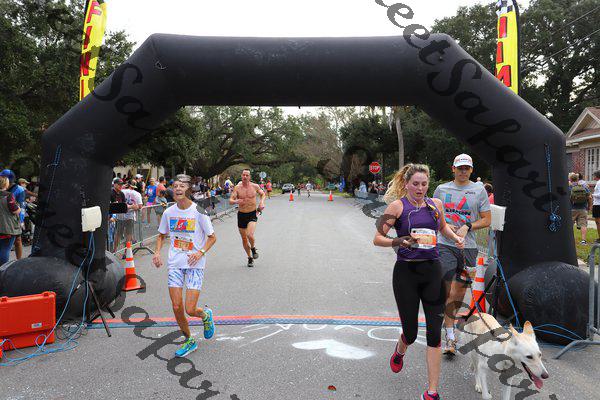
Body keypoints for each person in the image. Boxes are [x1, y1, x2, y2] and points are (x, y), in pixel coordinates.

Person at [374, 163, 464, 400]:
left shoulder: (436, 205)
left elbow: (442, 227)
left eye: (424, 184)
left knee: (434, 334)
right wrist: (398, 241)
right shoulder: (397, 207)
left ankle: (432, 392)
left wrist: (455, 237)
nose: (420, 188)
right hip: (406, 274)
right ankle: (400, 349)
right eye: (415, 184)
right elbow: (377, 237)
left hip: (433, 272)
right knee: (411, 333)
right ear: (406, 184)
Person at [433, 154, 491, 356]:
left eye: (467, 168)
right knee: (446, 288)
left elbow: (486, 220)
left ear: (472, 170)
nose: (463, 171)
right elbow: (433, 215)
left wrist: (468, 226)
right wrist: (445, 226)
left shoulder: (479, 190)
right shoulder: (442, 189)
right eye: (460, 168)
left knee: (458, 293)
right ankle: (447, 332)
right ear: (453, 169)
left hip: (468, 248)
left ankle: (449, 332)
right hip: (445, 244)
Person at [152, 174, 216, 358]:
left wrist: (200, 252)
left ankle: (205, 315)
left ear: (189, 189)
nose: (178, 189)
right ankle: (189, 340)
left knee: (190, 309)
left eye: (182, 186)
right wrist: (157, 253)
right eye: (175, 186)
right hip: (175, 263)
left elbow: (212, 237)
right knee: (176, 306)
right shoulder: (168, 212)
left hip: (195, 263)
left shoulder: (199, 211)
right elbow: (161, 235)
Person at [229, 169, 266, 267]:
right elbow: (231, 200)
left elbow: (263, 194)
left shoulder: (255, 186)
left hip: (252, 213)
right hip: (241, 215)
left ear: (249, 177)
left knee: (249, 234)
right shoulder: (237, 188)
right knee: (244, 239)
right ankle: (249, 258)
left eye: (247, 175)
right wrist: (236, 201)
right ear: (241, 176)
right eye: (243, 175)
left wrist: (262, 202)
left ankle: (253, 248)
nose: (245, 177)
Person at [0, 170, 25, 260]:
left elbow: (21, 207)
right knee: (5, 247)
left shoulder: (19, 190)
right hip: (5, 220)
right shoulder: (4, 189)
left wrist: (21, 221)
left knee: (18, 241)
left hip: (14, 220)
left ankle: (19, 260)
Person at [113, 180, 143, 252]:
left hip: (120, 215)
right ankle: (127, 251)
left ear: (128, 185)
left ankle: (114, 250)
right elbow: (140, 206)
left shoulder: (121, 191)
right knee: (128, 234)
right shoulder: (137, 194)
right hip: (130, 216)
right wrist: (133, 207)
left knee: (118, 234)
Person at [569, 172, 591, 244]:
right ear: (578, 179)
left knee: (570, 224)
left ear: (570, 179)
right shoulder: (584, 187)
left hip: (572, 209)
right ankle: (583, 241)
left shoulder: (569, 187)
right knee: (583, 224)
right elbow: (590, 197)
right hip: (583, 208)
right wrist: (589, 206)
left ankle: (570, 240)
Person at [591, 171, 600, 243]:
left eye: (594, 175)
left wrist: (592, 195)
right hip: (597, 204)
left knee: (598, 222)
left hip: (598, 204)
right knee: (597, 222)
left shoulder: (599, 183)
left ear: (597, 176)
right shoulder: (598, 182)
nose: (593, 177)